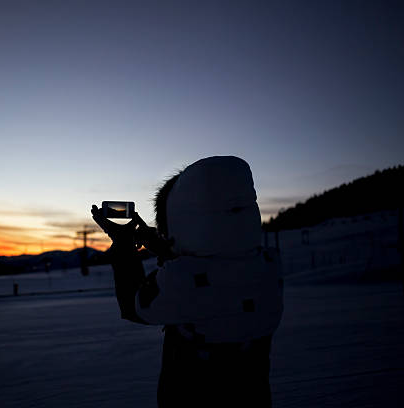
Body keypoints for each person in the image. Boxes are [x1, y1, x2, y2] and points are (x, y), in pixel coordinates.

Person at [91, 156, 284, 407]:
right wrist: (159, 242)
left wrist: (124, 245)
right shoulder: (268, 266)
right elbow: (214, 262)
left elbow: (133, 304)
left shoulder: (183, 282)